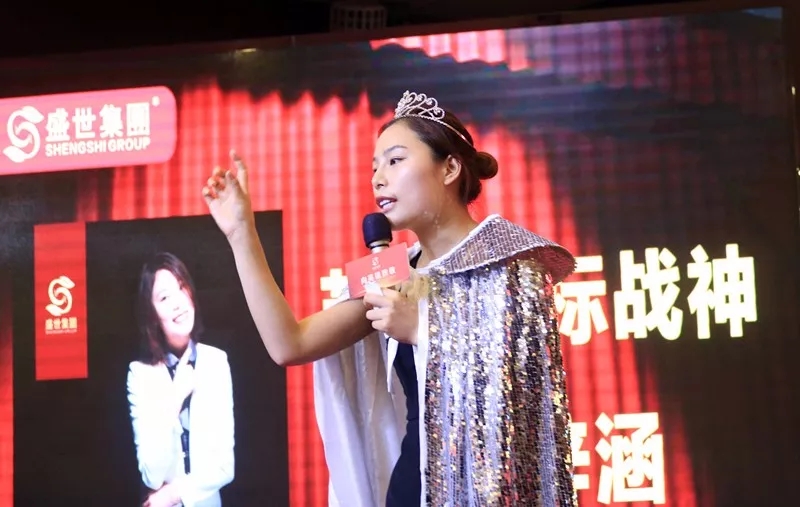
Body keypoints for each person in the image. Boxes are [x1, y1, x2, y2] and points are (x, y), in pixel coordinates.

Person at [201, 90, 577, 506]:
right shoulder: (395, 271)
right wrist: (242, 234)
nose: (378, 178)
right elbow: (290, 343)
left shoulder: (512, 266)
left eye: (395, 161)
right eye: (375, 167)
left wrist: (424, 329)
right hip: (411, 488)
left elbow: (523, 402)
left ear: (450, 168)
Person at [126, 252, 235, 507]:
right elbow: (152, 475)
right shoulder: (140, 374)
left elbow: (224, 467)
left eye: (181, 287)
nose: (178, 303)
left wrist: (173, 493)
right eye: (164, 297)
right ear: (151, 313)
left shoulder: (215, 362)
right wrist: (174, 400)